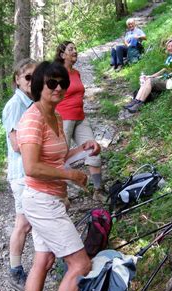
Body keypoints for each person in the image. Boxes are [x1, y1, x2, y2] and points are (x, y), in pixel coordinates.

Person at [17, 61, 99, 291]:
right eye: (52, 83)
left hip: (50, 198)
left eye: (62, 82)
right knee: (79, 263)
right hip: (41, 201)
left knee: (44, 260)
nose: (59, 88)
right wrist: (70, 175)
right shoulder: (33, 119)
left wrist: (83, 149)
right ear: (39, 86)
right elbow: (31, 166)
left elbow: (57, 159)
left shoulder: (55, 115)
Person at [1, 58, 36, 291]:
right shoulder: (16, 105)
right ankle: (15, 270)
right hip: (22, 173)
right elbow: (15, 144)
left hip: (29, 170)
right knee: (23, 223)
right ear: (17, 80)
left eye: (36, 77)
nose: (32, 82)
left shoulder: (30, 103)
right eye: (27, 77)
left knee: (26, 221)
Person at [54, 41, 105, 202]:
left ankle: (98, 190)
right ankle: (61, 196)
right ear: (62, 55)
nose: (75, 51)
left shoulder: (76, 73)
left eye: (75, 48)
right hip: (64, 119)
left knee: (93, 149)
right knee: (60, 157)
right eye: (71, 49)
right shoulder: (56, 74)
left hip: (80, 118)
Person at [124, 39, 172, 113]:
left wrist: (152, 76)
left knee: (150, 80)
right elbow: (166, 73)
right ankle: (136, 101)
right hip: (168, 79)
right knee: (147, 80)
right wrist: (150, 76)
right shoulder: (170, 57)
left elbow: (168, 69)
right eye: (168, 46)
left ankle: (140, 104)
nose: (170, 48)